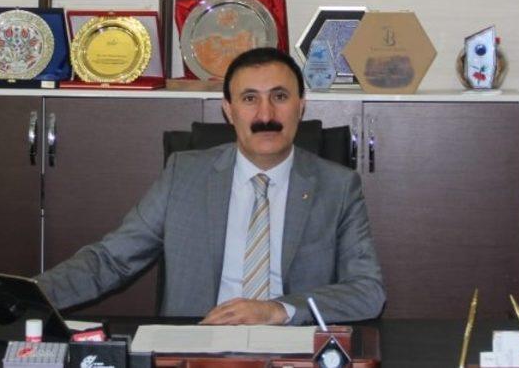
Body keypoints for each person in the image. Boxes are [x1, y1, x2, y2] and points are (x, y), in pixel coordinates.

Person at [35, 47, 385, 325]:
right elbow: (111, 261)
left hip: (292, 349)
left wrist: (279, 310)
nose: (266, 115)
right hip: (198, 345)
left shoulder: (338, 187)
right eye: (249, 99)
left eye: (279, 97)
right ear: (229, 110)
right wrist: (31, 294)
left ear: (300, 106)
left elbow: (367, 292)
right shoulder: (184, 175)